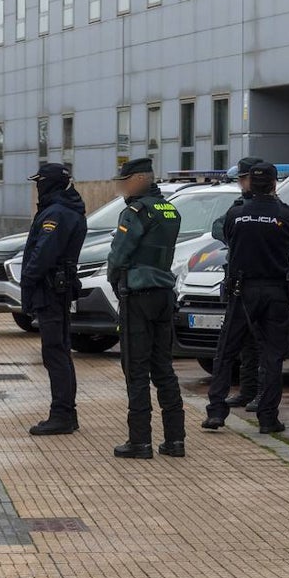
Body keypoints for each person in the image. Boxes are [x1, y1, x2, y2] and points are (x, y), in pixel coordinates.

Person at [203, 163, 289, 434]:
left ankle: (216, 412)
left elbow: (230, 242)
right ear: (274, 184)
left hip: (242, 290)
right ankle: (268, 418)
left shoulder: (236, 214)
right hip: (276, 291)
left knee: (226, 351)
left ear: (249, 185)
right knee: (272, 355)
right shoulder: (286, 214)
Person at [107, 157, 185, 459]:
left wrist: (116, 280)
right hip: (164, 294)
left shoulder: (135, 212)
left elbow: (119, 255)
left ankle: (140, 441)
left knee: (136, 369)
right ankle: (175, 439)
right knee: (163, 367)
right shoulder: (170, 210)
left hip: (137, 297)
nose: (122, 188)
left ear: (140, 179)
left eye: (125, 182)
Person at [21, 163, 88, 436]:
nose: (37, 188)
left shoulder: (57, 213)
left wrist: (27, 278)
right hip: (57, 290)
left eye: (40, 183)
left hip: (51, 291)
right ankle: (65, 412)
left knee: (55, 353)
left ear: (48, 184)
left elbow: (43, 254)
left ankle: (62, 414)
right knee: (59, 352)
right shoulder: (66, 208)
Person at [215, 156, 265, 412]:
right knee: (244, 344)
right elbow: (218, 229)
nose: (240, 184)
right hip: (238, 281)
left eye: (243, 179)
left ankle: (260, 394)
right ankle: (247, 391)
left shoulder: (269, 207)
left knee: (259, 343)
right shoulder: (238, 206)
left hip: (260, 283)